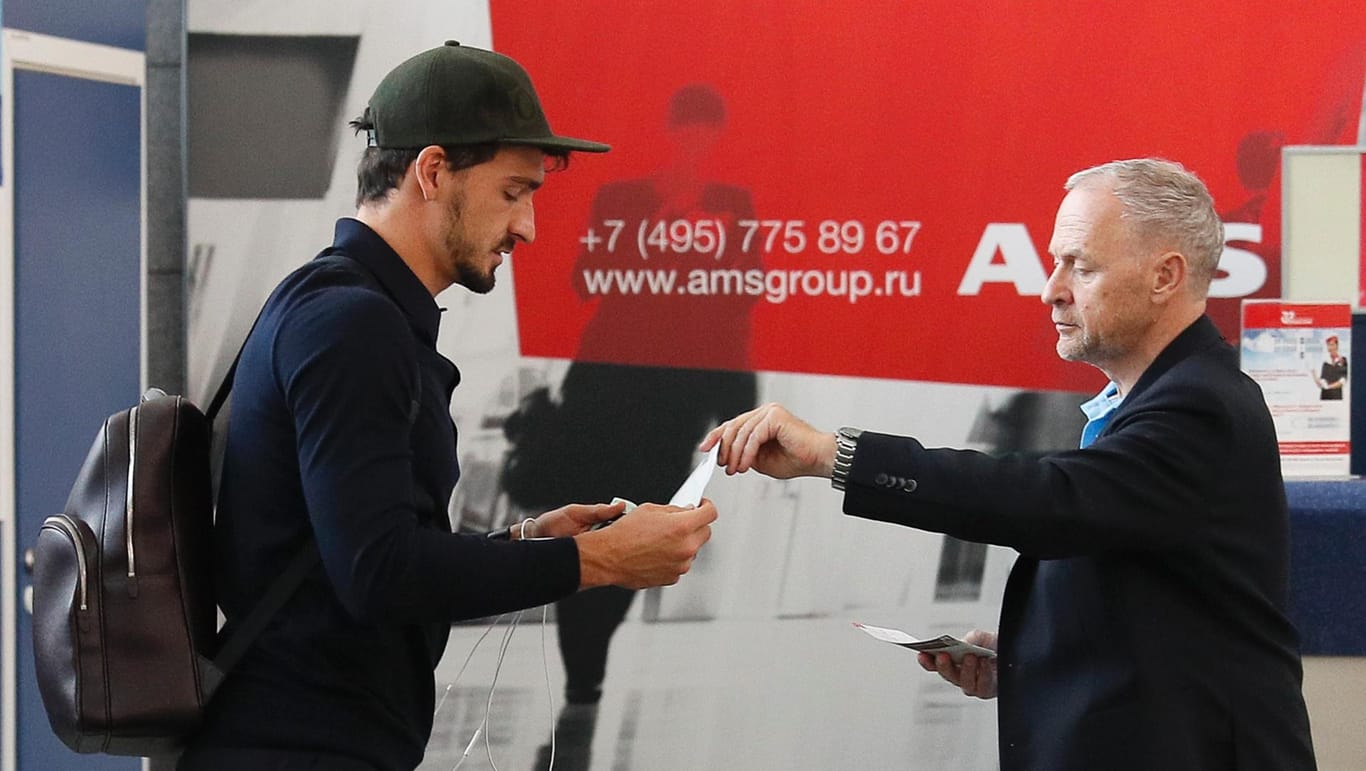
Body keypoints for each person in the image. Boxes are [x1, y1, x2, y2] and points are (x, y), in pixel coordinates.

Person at [177, 41, 717, 771]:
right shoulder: (352, 324)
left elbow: (364, 557)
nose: (527, 227)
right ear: (432, 171)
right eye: (512, 192)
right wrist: (592, 559)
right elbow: (379, 574)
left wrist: (524, 545)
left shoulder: (341, 306)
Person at [702, 158, 1317, 770]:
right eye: (1055, 262)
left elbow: (1052, 502)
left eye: (1081, 265)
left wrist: (837, 454)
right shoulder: (1157, 400)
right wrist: (1029, 656)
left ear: (1164, 276)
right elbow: (1143, 585)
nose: (1052, 288)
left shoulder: (1200, 406)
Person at [499, 85, 757, 769]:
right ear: (672, 134)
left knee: (641, 528)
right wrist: (659, 226)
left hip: (676, 402)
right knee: (593, 523)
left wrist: (740, 408)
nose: (694, 143)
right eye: (686, 130)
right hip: (603, 391)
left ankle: (592, 666)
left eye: (707, 132)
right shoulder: (623, 200)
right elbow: (586, 279)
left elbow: (745, 297)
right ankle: (584, 677)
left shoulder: (733, 204)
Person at [1313, 334, 1348, 399]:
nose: (1330, 347)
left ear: (1337, 346)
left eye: (1332, 345)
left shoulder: (1343, 360)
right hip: (1324, 397)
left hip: (1336, 397)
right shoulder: (1325, 363)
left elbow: (1343, 381)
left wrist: (1329, 387)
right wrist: (1313, 374)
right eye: (1328, 345)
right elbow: (1321, 383)